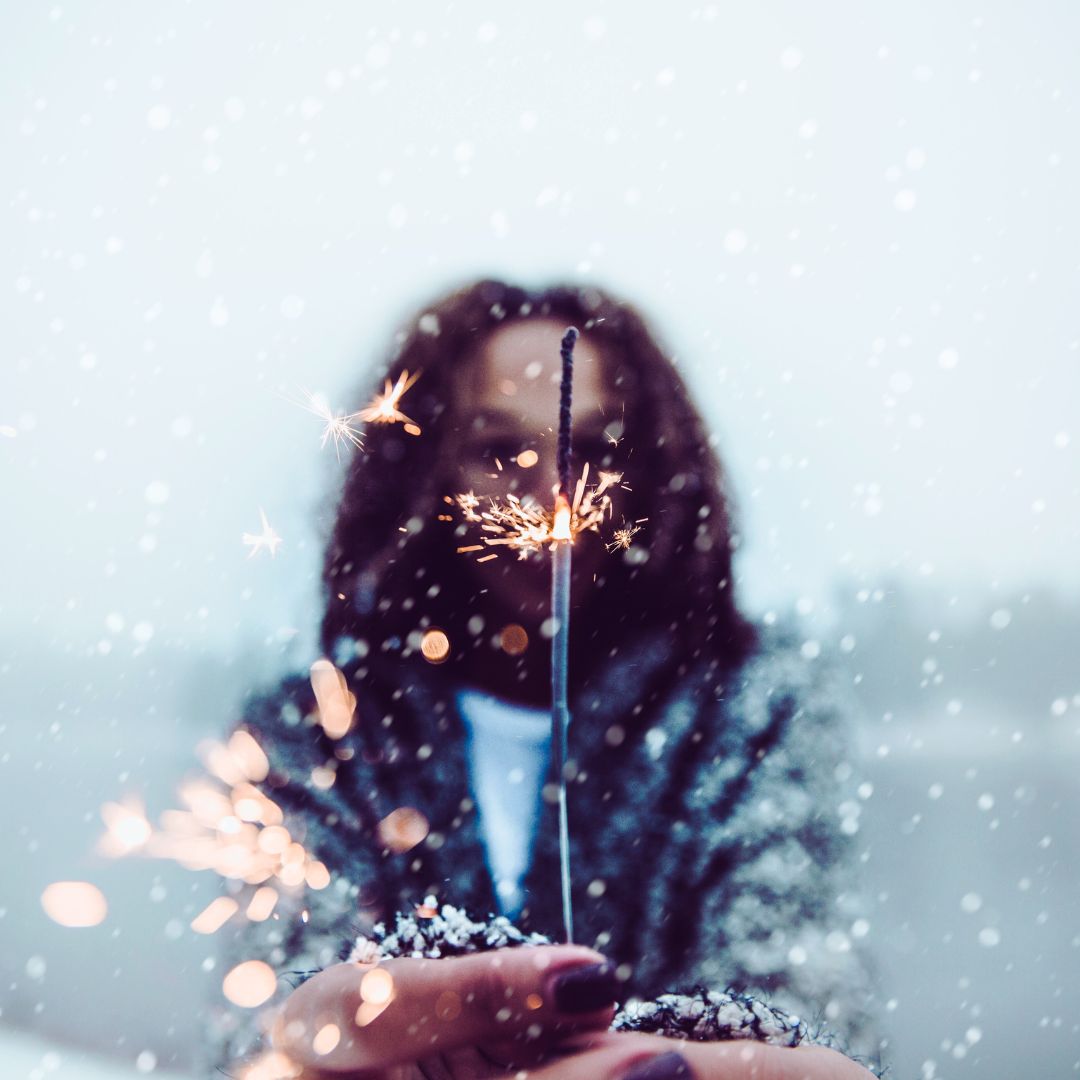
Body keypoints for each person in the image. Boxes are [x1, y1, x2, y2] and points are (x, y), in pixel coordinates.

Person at [207, 279, 886, 1078]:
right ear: (424, 471)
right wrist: (318, 1047)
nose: (552, 496)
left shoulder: (753, 715)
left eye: (594, 451)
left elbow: (802, 990)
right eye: (499, 451)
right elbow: (268, 1022)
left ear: (650, 468)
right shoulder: (317, 735)